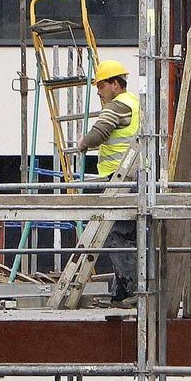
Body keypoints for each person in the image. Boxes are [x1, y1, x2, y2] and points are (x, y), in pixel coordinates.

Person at [74, 59, 140, 301]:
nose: (99, 92)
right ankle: (122, 290)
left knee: (115, 234)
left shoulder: (116, 106)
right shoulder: (135, 103)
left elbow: (99, 134)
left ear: (114, 84)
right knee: (129, 235)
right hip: (134, 178)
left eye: (101, 86)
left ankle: (128, 290)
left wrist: (83, 143)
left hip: (119, 179)